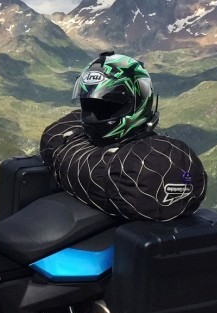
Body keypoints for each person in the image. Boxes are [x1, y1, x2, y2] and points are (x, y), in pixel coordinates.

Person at [40, 51, 207, 221]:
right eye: (89, 106)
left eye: (107, 107)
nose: (93, 116)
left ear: (135, 104)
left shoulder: (144, 167)